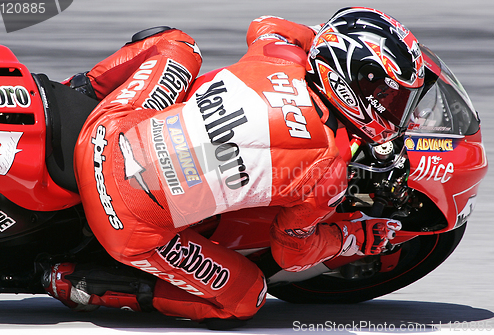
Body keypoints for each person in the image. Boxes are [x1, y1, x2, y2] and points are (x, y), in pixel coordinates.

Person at [35, 6, 423, 328]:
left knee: (178, 44)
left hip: (106, 130)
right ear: (350, 82)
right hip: (126, 220)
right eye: (387, 95)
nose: (393, 109)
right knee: (246, 297)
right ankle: (74, 282)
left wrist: (322, 36)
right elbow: (292, 253)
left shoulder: (277, 55)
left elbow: (265, 24)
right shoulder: (330, 169)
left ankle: (76, 91)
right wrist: (354, 238)